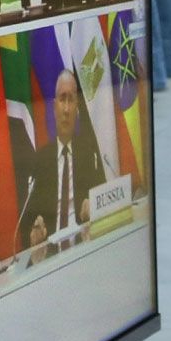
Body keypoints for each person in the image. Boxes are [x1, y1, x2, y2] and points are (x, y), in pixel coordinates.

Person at [14, 67, 108, 255]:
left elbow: (105, 203)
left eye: (71, 99)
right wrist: (36, 228)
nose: (66, 109)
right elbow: (28, 223)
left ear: (77, 108)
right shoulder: (40, 160)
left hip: (85, 248)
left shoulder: (90, 154)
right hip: (50, 254)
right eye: (62, 99)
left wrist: (94, 206)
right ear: (54, 106)